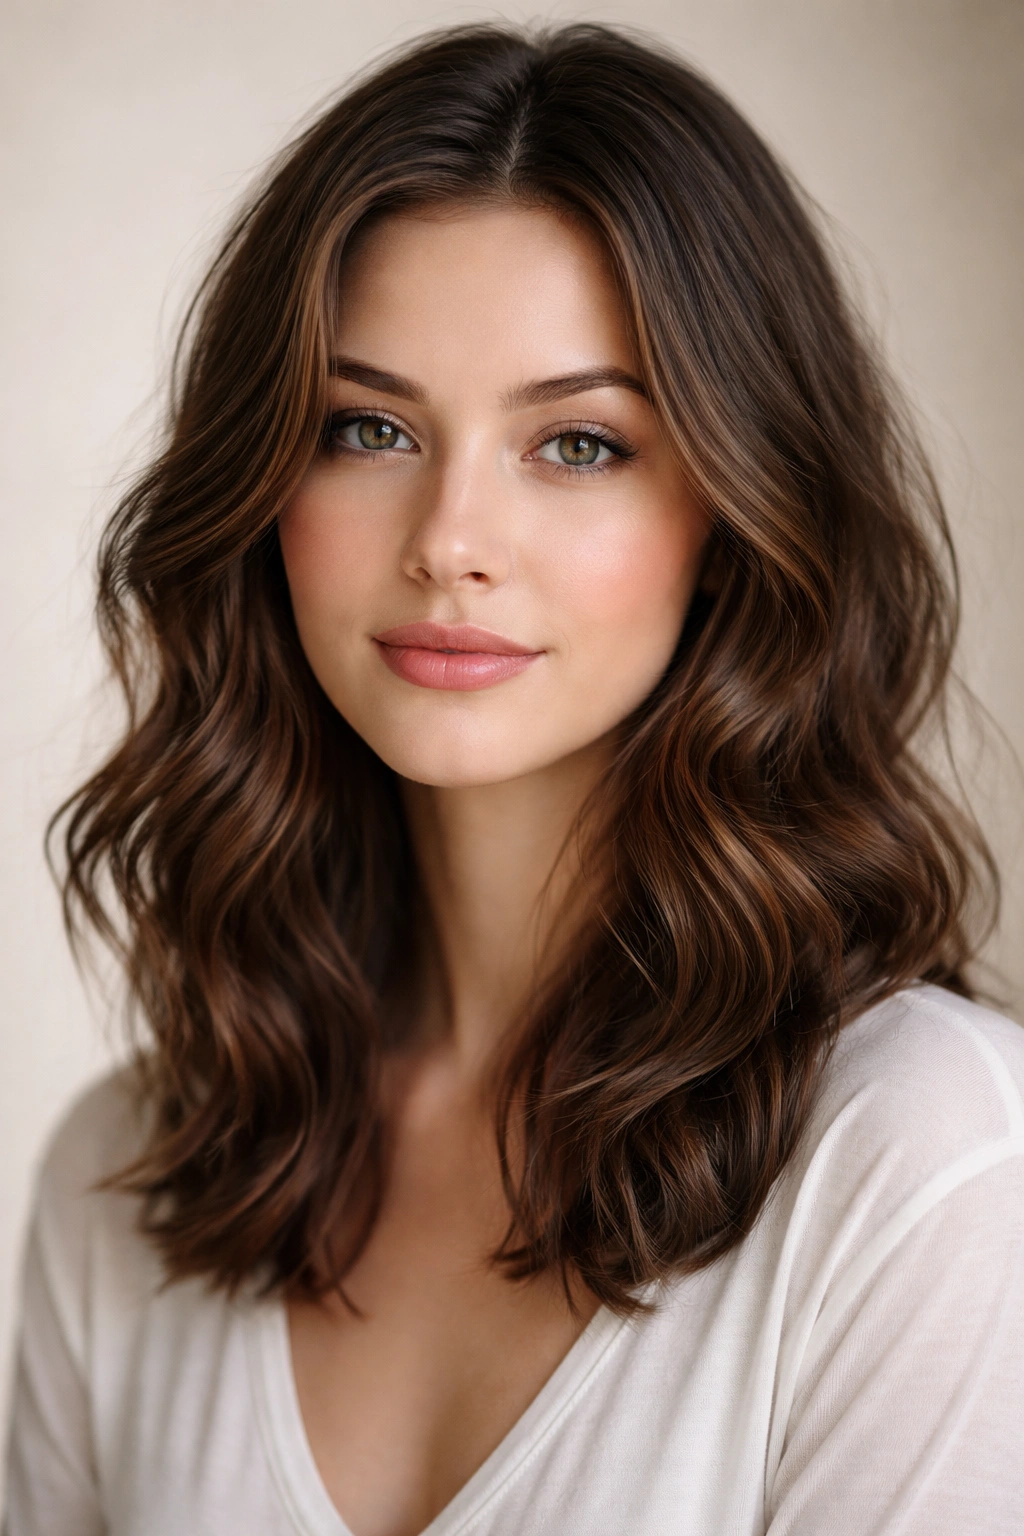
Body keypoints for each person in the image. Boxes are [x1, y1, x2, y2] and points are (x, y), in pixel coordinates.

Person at [4, 20, 1023, 1536]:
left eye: (579, 445)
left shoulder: (923, 1161)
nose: (449, 537)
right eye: (368, 428)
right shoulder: (133, 1181)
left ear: (739, 511)